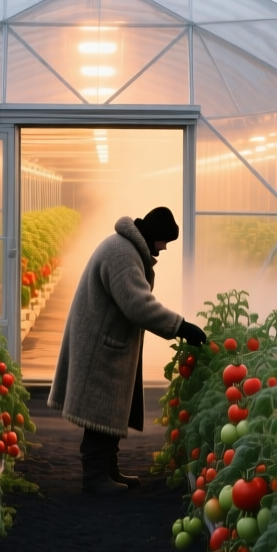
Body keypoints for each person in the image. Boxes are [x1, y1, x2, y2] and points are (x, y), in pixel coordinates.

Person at [48, 207, 208, 495]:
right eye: (164, 242)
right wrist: (181, 326)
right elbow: (138, 304)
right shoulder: (122, 253)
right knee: (99, 411)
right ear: (154, 236)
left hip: (105, 341)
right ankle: (95, 478)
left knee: (107, 410)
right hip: (100, 346)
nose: (165, 249)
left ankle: (108, 470)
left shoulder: (126, 247)